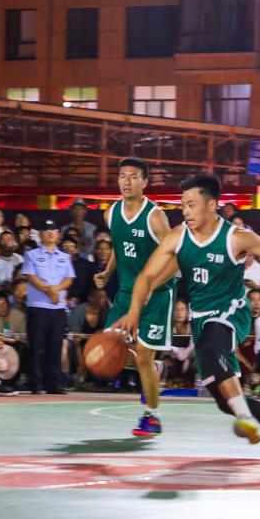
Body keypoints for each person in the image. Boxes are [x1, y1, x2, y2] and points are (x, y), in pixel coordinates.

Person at [112, 173, 260, 458]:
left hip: (232, 312)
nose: (185, 211)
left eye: (191, 205)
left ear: (211, 205)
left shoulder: (235, 237)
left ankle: (244, 416)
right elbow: (146, 275)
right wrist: (135, 309)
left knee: (209, 347)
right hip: (201, 319)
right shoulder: (179, 236)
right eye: (183, 205)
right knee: (222, 400)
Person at [92, 158, 175, 435]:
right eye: (122, 176)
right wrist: (107, 272)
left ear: (145, 182)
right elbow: (119, 246)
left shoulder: (155, 217)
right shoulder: (111, 213)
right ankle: (154, 369)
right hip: (127, 292)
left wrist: (151, 286)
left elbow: (176, 258)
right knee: (109, 348)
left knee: (142, 356)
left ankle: (152, 417)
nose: (126, 182)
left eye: (133, 177)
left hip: (158, 295)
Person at [22, 219, 74, 394]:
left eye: (54, 230)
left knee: (55, 346)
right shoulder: (32, 254)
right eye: (46, 230)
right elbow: (30, 276)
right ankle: (36, 383)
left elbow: (69, 278)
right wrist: (49, 291)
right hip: (38, 306)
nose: (50, 233)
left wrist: (55, 290)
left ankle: (54, 383)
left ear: (58, 234)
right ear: (40, 234)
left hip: (57, 308)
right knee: (36, 346)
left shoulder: (64, 257)